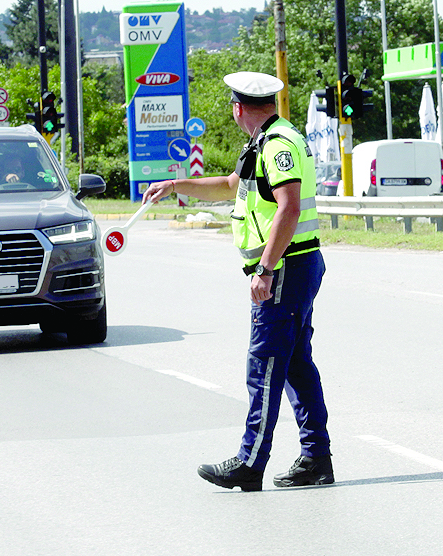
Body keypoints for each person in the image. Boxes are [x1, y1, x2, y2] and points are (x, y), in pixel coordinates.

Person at [142, 71, 333, 491]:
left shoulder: (278, 144)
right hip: (293, 266)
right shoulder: (265, 140)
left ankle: (249, 463)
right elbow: (231, 187)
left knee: (264, 366)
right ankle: (317, 458)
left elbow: (288, 209)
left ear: (238, 107)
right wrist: (175, 185)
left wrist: (265, 268)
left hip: (285, 268)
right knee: (295, 365)